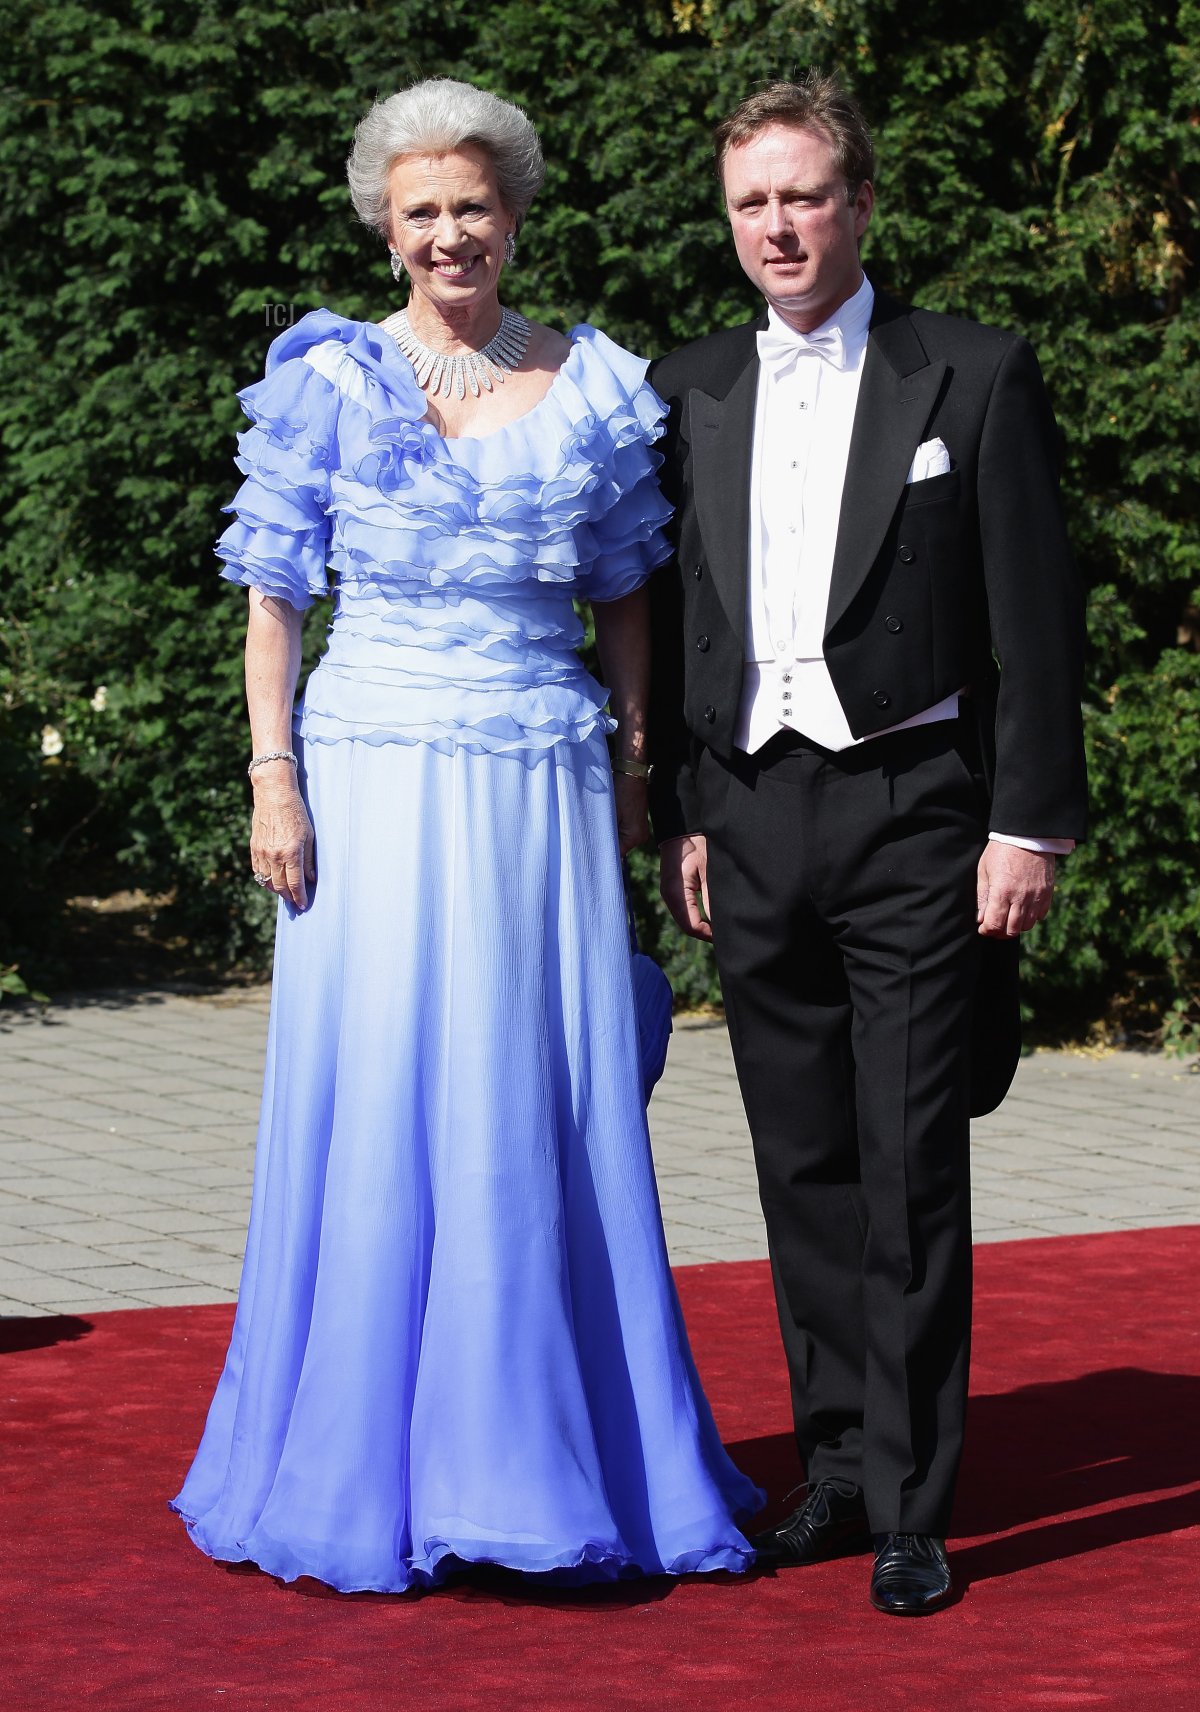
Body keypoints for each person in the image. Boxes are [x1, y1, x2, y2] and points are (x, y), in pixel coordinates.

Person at [171, 77, 760, 1594]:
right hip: (366, 774)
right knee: (377, 1090)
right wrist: (273, 775)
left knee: (534, 1094)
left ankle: (553, 1458)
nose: (450, 234)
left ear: (513, 218)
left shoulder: (594, 383)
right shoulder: (326, 381)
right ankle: (362, 1462)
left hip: (537, 786)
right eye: (421, 210)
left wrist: (637, 761)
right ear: (387, 229)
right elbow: (274, 598)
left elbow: (625, 591)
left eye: (473, 207)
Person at [648, 72, 1086, 1615]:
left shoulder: (971, 372)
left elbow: (1039, 619)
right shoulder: (688, 384)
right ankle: (834, 1471)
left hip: (917, 813)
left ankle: (911, 1500)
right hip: (750, 813)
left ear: (860, 204)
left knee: (907, 1162)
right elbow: (677, 618)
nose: (778, 225)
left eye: (805, 195)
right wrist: (683, 812)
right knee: (802, 1163)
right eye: (752, 201)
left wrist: (1027, 822)